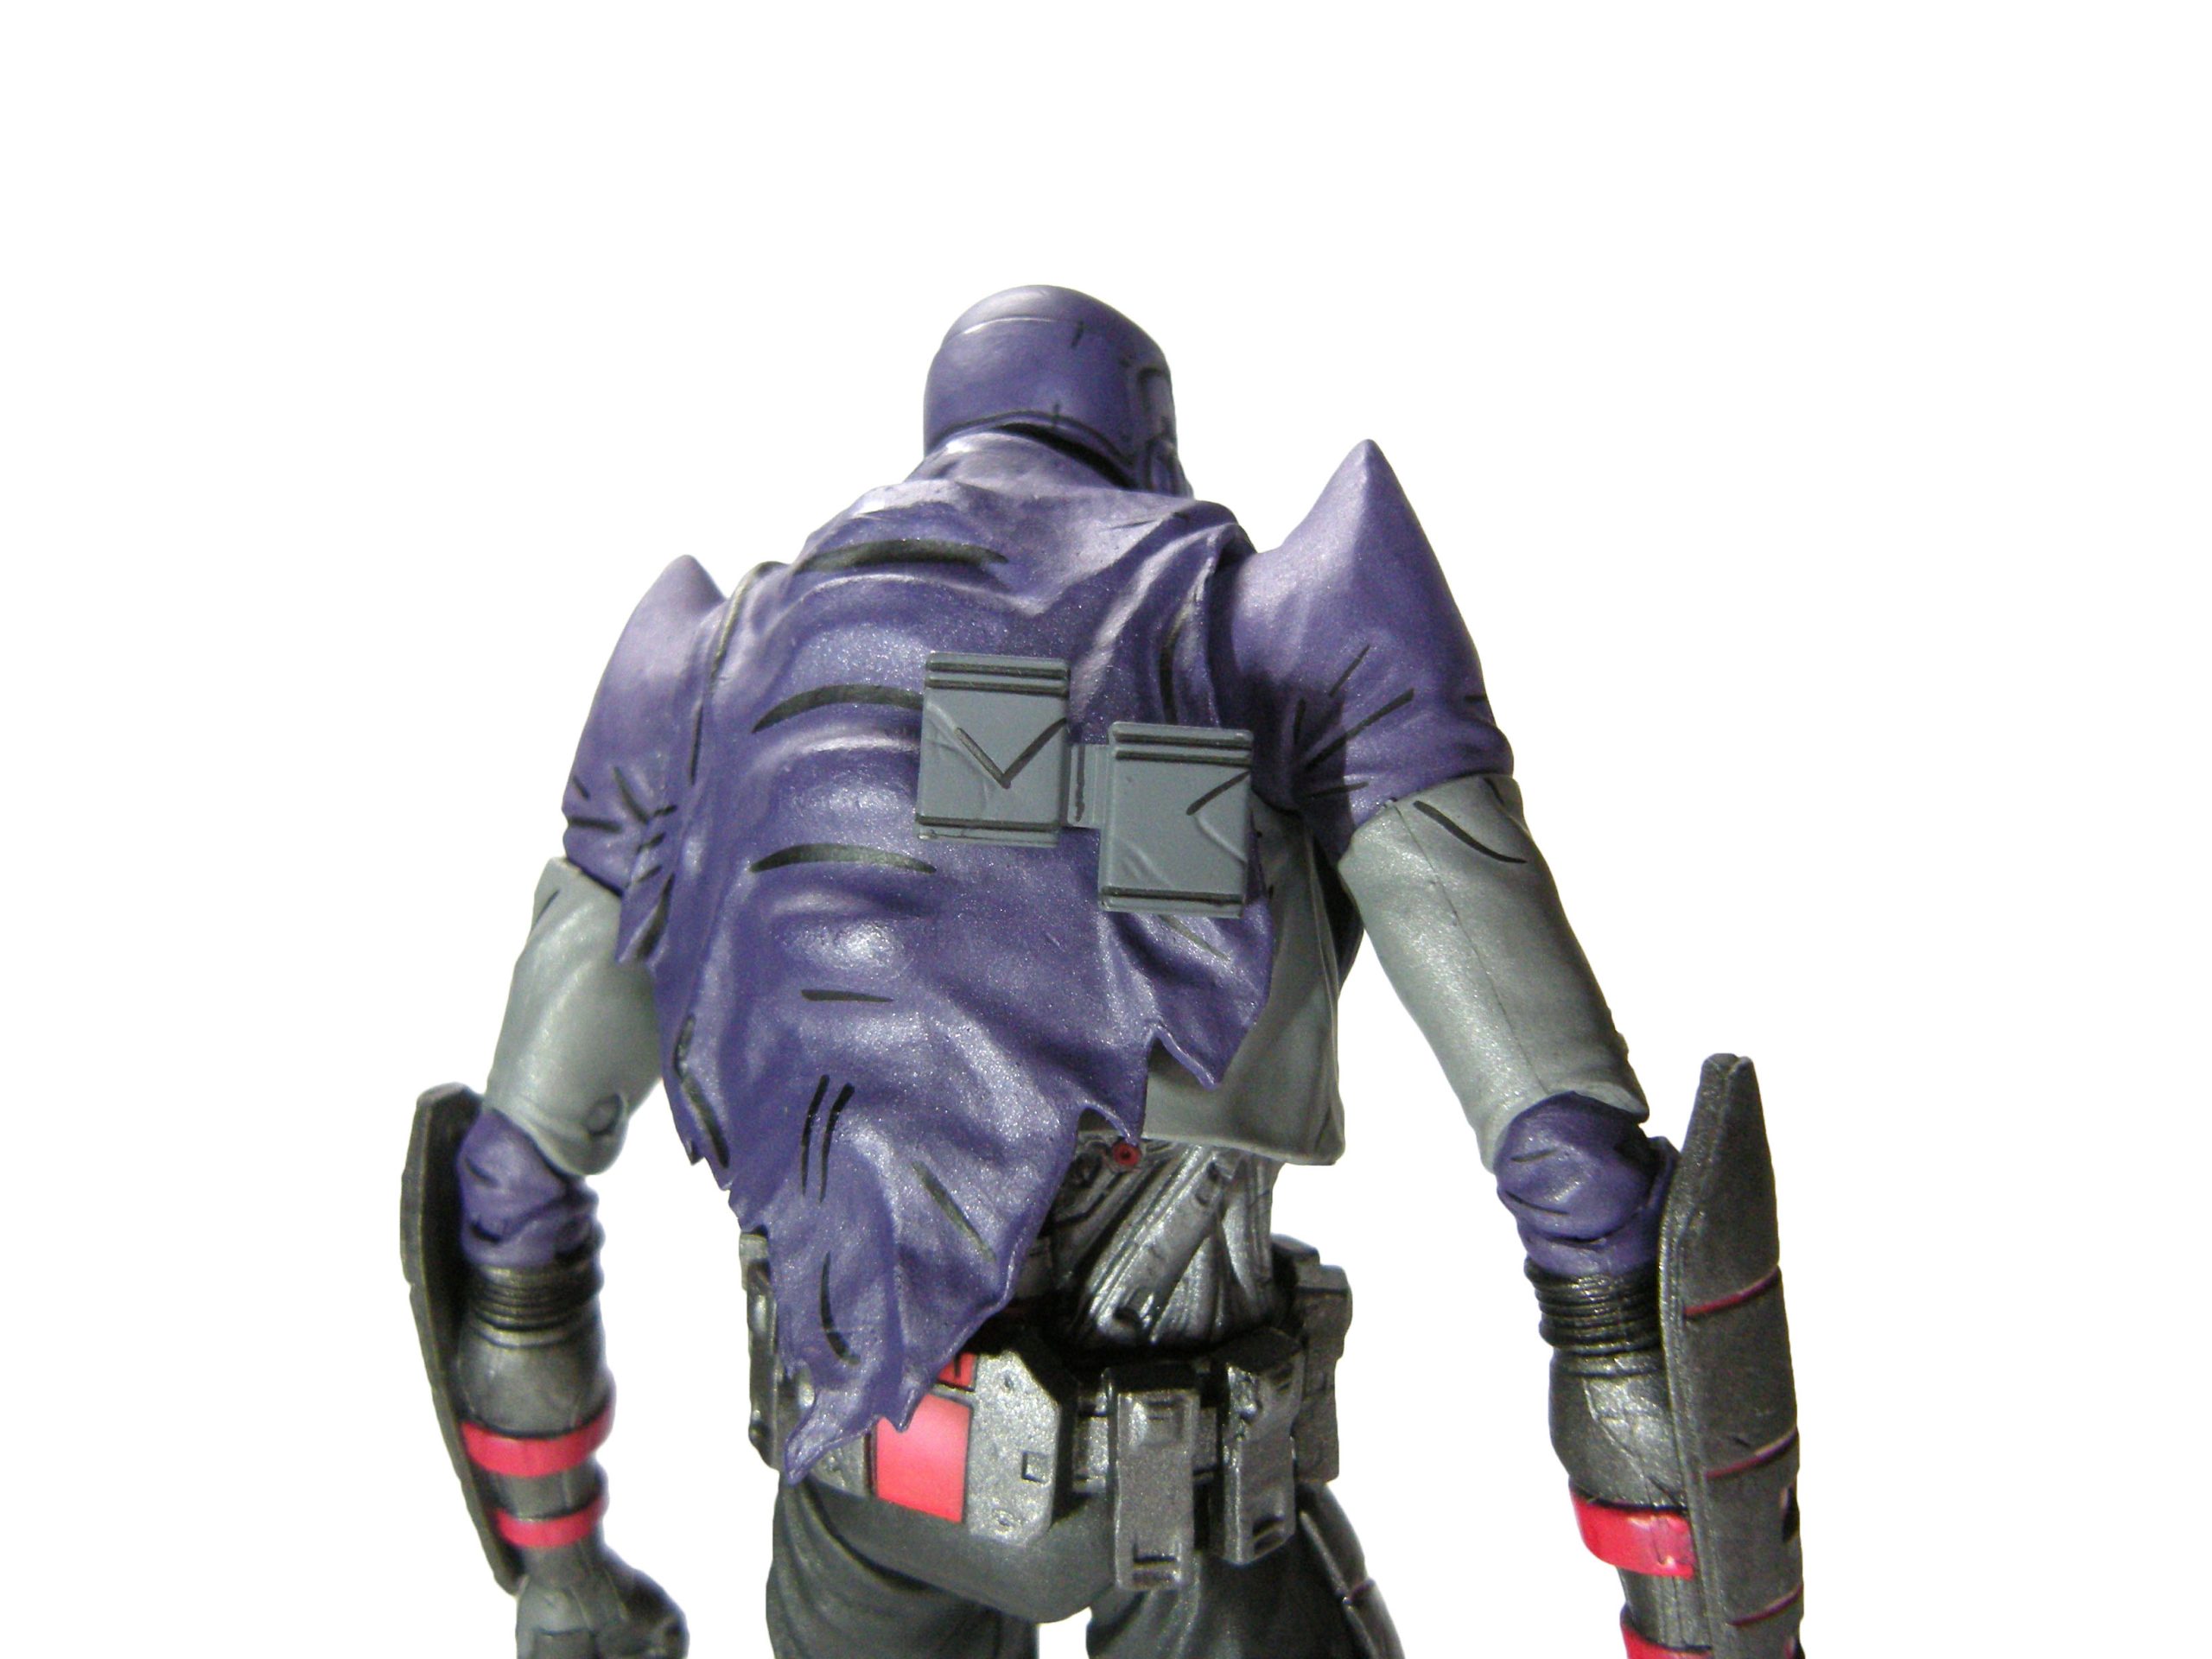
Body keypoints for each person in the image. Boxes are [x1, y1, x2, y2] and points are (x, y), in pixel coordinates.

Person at [404, 285, 1803, 1659]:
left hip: (861, 1497)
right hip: (1181, 1501)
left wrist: (565, 1576)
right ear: (1147, 440)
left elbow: (513, 1182)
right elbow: (1569, 1164)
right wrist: (1687, 1611)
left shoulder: (701, 671)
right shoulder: (1280, 621)